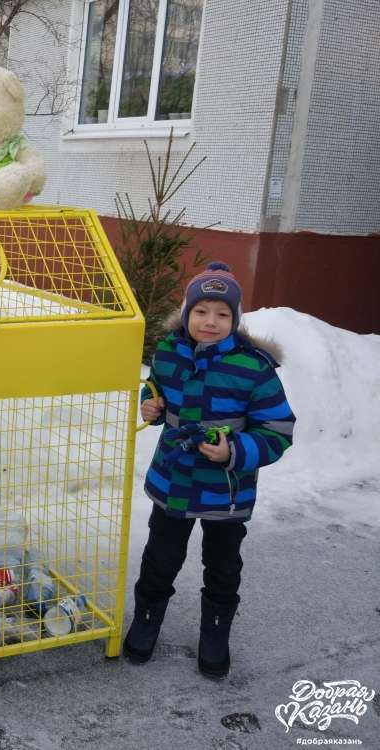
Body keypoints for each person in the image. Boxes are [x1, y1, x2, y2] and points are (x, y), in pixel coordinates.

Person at [123, 262, 295, 678]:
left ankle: (216, 630)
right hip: (174, 479)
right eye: (201, 312)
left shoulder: (253, 368)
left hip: (227, 490)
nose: (210, 322)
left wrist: (234, 450)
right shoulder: (168, 353)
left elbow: (278, 430)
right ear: (187, 314)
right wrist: (154, 408)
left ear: (235, 320)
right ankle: (147, 617)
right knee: (160, 557)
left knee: (222, 564)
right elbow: (158, 394)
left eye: (222, 314)